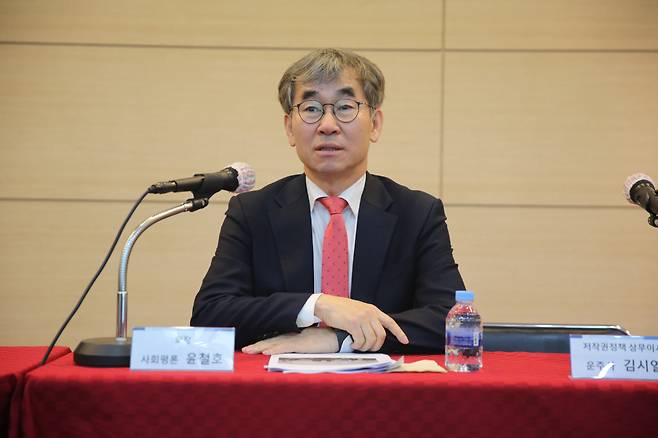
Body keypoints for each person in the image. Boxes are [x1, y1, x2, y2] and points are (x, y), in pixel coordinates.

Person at [191, 48, 465, 354]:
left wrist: (338, 339)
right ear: (289, 128)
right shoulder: (252, 212)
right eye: (310, 109)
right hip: (280, 391)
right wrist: (317, 306)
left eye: (346, 107)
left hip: (380, 393)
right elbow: (210, 315)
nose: (328, 125)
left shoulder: (417, 213)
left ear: (374, 124)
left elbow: (451, 320)